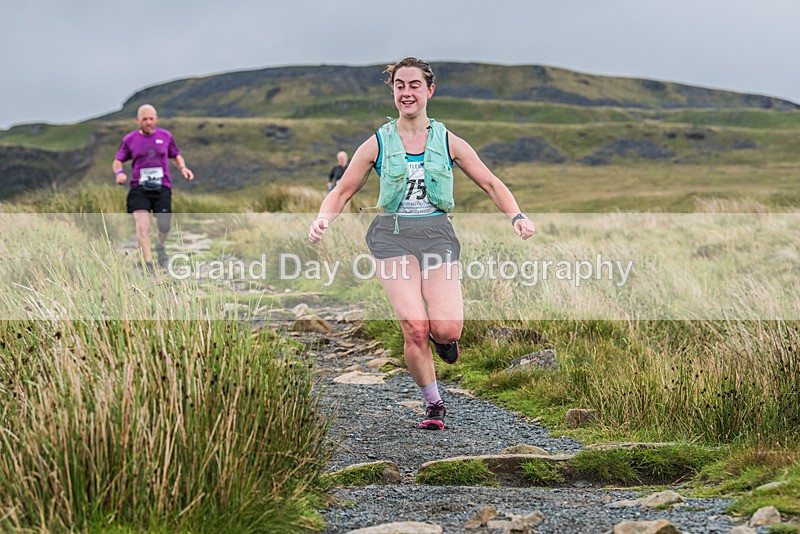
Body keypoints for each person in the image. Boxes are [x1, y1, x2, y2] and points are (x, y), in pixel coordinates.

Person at [309, 58, 535, 431]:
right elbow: (343, 191)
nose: (406, 92)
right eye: (399, 85)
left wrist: (517, 216)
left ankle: (444, 342)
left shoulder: (448, 141)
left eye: (414, 85)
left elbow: (491, 183)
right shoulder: (378, 142)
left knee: (445, 329)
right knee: (414, 327)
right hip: (391, 236)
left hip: (436, 235)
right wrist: (322, 218)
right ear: (393, 91)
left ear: (429, 90)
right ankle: (434, 404)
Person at [112, 104, 194, 272]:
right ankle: (148, 264)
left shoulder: (166, 136)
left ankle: (160, 246)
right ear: (138, 120)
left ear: (156, 119)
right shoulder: (130, 140)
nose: (148, 122)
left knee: (165, 225)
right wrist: (119, 173)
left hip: (162, 186)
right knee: (142, 225)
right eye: (144, 119)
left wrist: (183, 168)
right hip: (139, 188)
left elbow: (175, 155)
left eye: (151, 119)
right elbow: (117, 160)